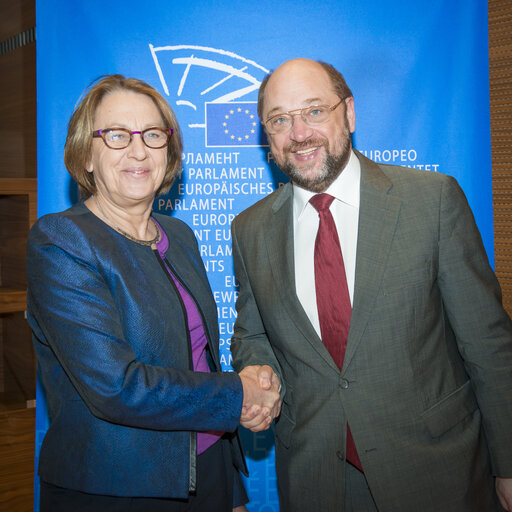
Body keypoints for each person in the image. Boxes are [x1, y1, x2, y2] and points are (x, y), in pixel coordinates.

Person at [230, 58, 512, 512]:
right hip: (316, 478)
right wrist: (256, 372)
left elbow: (488, 343)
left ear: (350, 113)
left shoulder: (432, 200)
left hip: (437, 471)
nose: (299, 132)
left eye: (314, 111)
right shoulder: (249, 228)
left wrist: (509, 464)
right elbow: (254, 333)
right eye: (280, 119)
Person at [27, 74, 279, 512]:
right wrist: (238, 395)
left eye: (153, 135)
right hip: (116, 490)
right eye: (118, 135)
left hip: (208, 472)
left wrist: (229, 488)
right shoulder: (61, 240)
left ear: (170, 150)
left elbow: (200, 360)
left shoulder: (179, 235)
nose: (139, 150)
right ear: (87, 153)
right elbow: (116, 386)